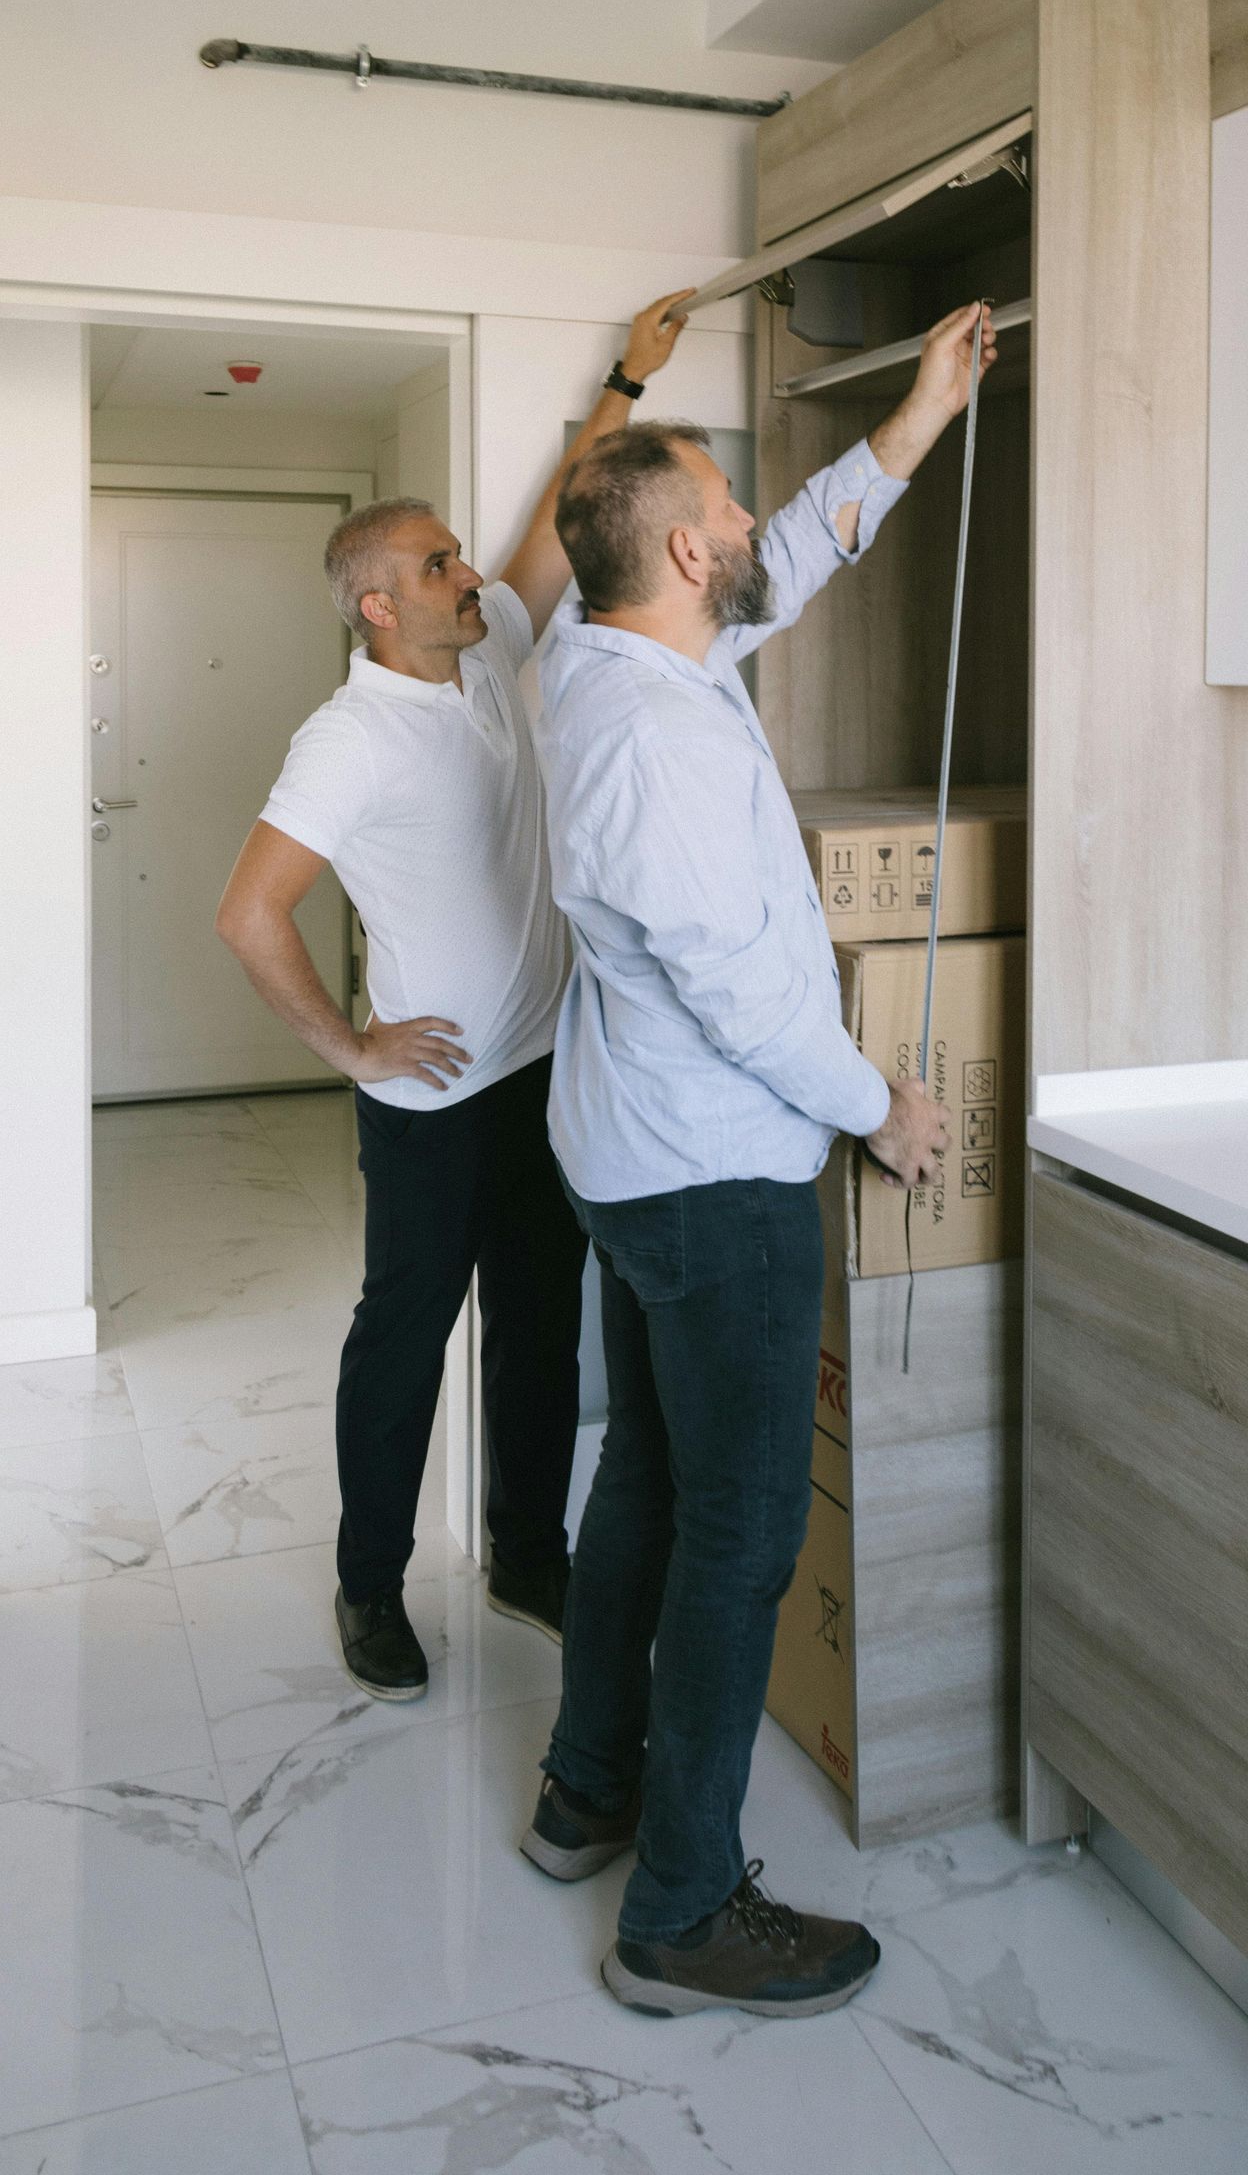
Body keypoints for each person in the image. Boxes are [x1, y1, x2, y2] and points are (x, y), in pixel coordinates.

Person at [518, 300, 992, 2016]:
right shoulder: (646, 732)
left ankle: (589, 1792)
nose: (745, 519)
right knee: (736, 1534)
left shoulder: (613, 644)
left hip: (635, 1163)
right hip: (711, 1180)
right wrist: (887, 1107)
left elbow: (792, 554)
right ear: (674, 550)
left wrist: (923, 413)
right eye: (723, 503)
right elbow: (731, 988)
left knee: (646, 1473)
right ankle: (684, 1910)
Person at [215, 287, 695, 1702]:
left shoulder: (488, 658)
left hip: (546, 1070)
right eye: (436, 565)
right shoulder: (347, 738)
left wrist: (622, 379)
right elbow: (249, 913)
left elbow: (548, 532)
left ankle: (525, 1558)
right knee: (405, 1341)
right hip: (430, 1101)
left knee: (540, 1331)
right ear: (379, 603)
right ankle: (371, 1585)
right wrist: (352, 1045)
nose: (465, 576)